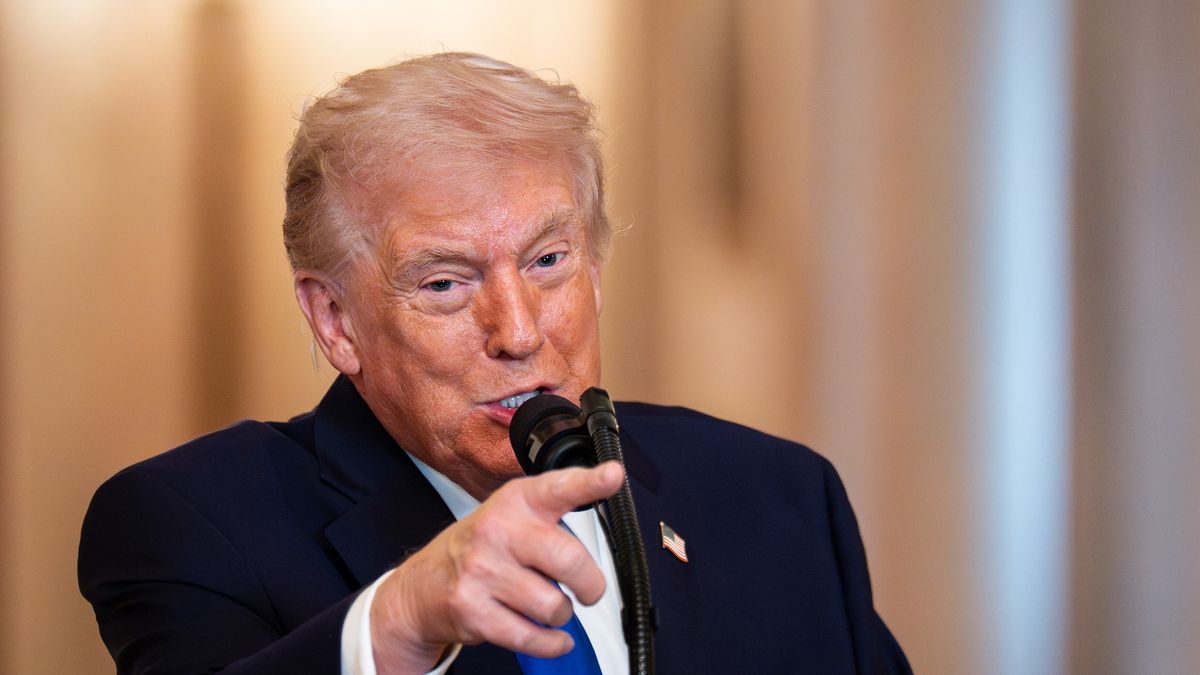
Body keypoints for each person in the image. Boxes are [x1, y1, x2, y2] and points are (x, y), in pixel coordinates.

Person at [79, 52, 911, 675]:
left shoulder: (779, 498)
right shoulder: (190, 522)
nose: (517, 331)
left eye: (549, 262)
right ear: (335, 320)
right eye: (444, 282)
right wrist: (399, 619)